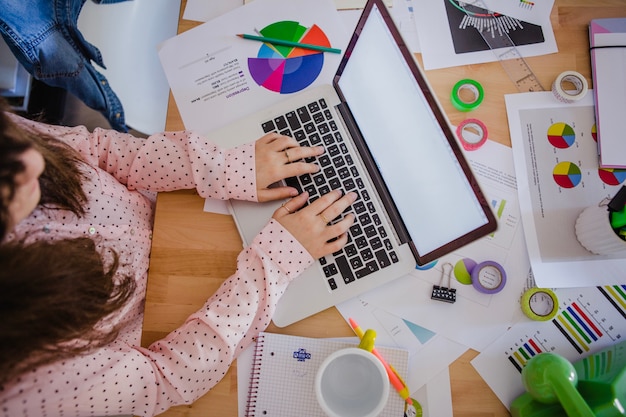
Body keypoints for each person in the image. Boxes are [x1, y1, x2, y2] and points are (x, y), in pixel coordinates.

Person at [0, 99, 356, 417]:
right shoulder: (21, 381)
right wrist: (276, 261)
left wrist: (221, 168)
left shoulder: (17, 154)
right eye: (6, 189)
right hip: (182, 313)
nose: (33, 160)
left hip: (177, 211)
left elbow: (96, 150)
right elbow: (164, 380)